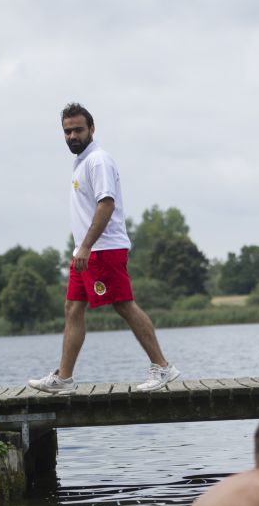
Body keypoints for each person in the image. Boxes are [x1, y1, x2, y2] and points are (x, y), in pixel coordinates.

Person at [29, 102, 180, 394]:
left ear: (92, 129)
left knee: (123, 304)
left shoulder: (98, 160)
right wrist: (80, 250)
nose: (72, 136)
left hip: (102, 249)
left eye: (78, 130)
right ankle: (64, 378)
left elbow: (106, 203)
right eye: (67, 131)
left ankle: (162, 367)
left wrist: (86, 246)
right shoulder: (81, 163)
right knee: (73, 308)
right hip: (84, 252)